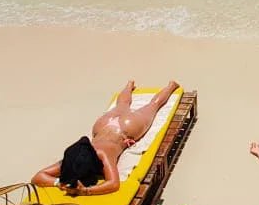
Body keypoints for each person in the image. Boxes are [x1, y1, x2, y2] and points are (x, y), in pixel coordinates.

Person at [32, 80, 180, 195]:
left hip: (126, 129)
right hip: (102, 126)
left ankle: (170, 86)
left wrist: (85, 191)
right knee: (123, 104)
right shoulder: (75, 156)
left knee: (153, 106)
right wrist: (59, 183)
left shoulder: (100, 155)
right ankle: (130, 85)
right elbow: (37, 178)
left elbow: (113, 184)